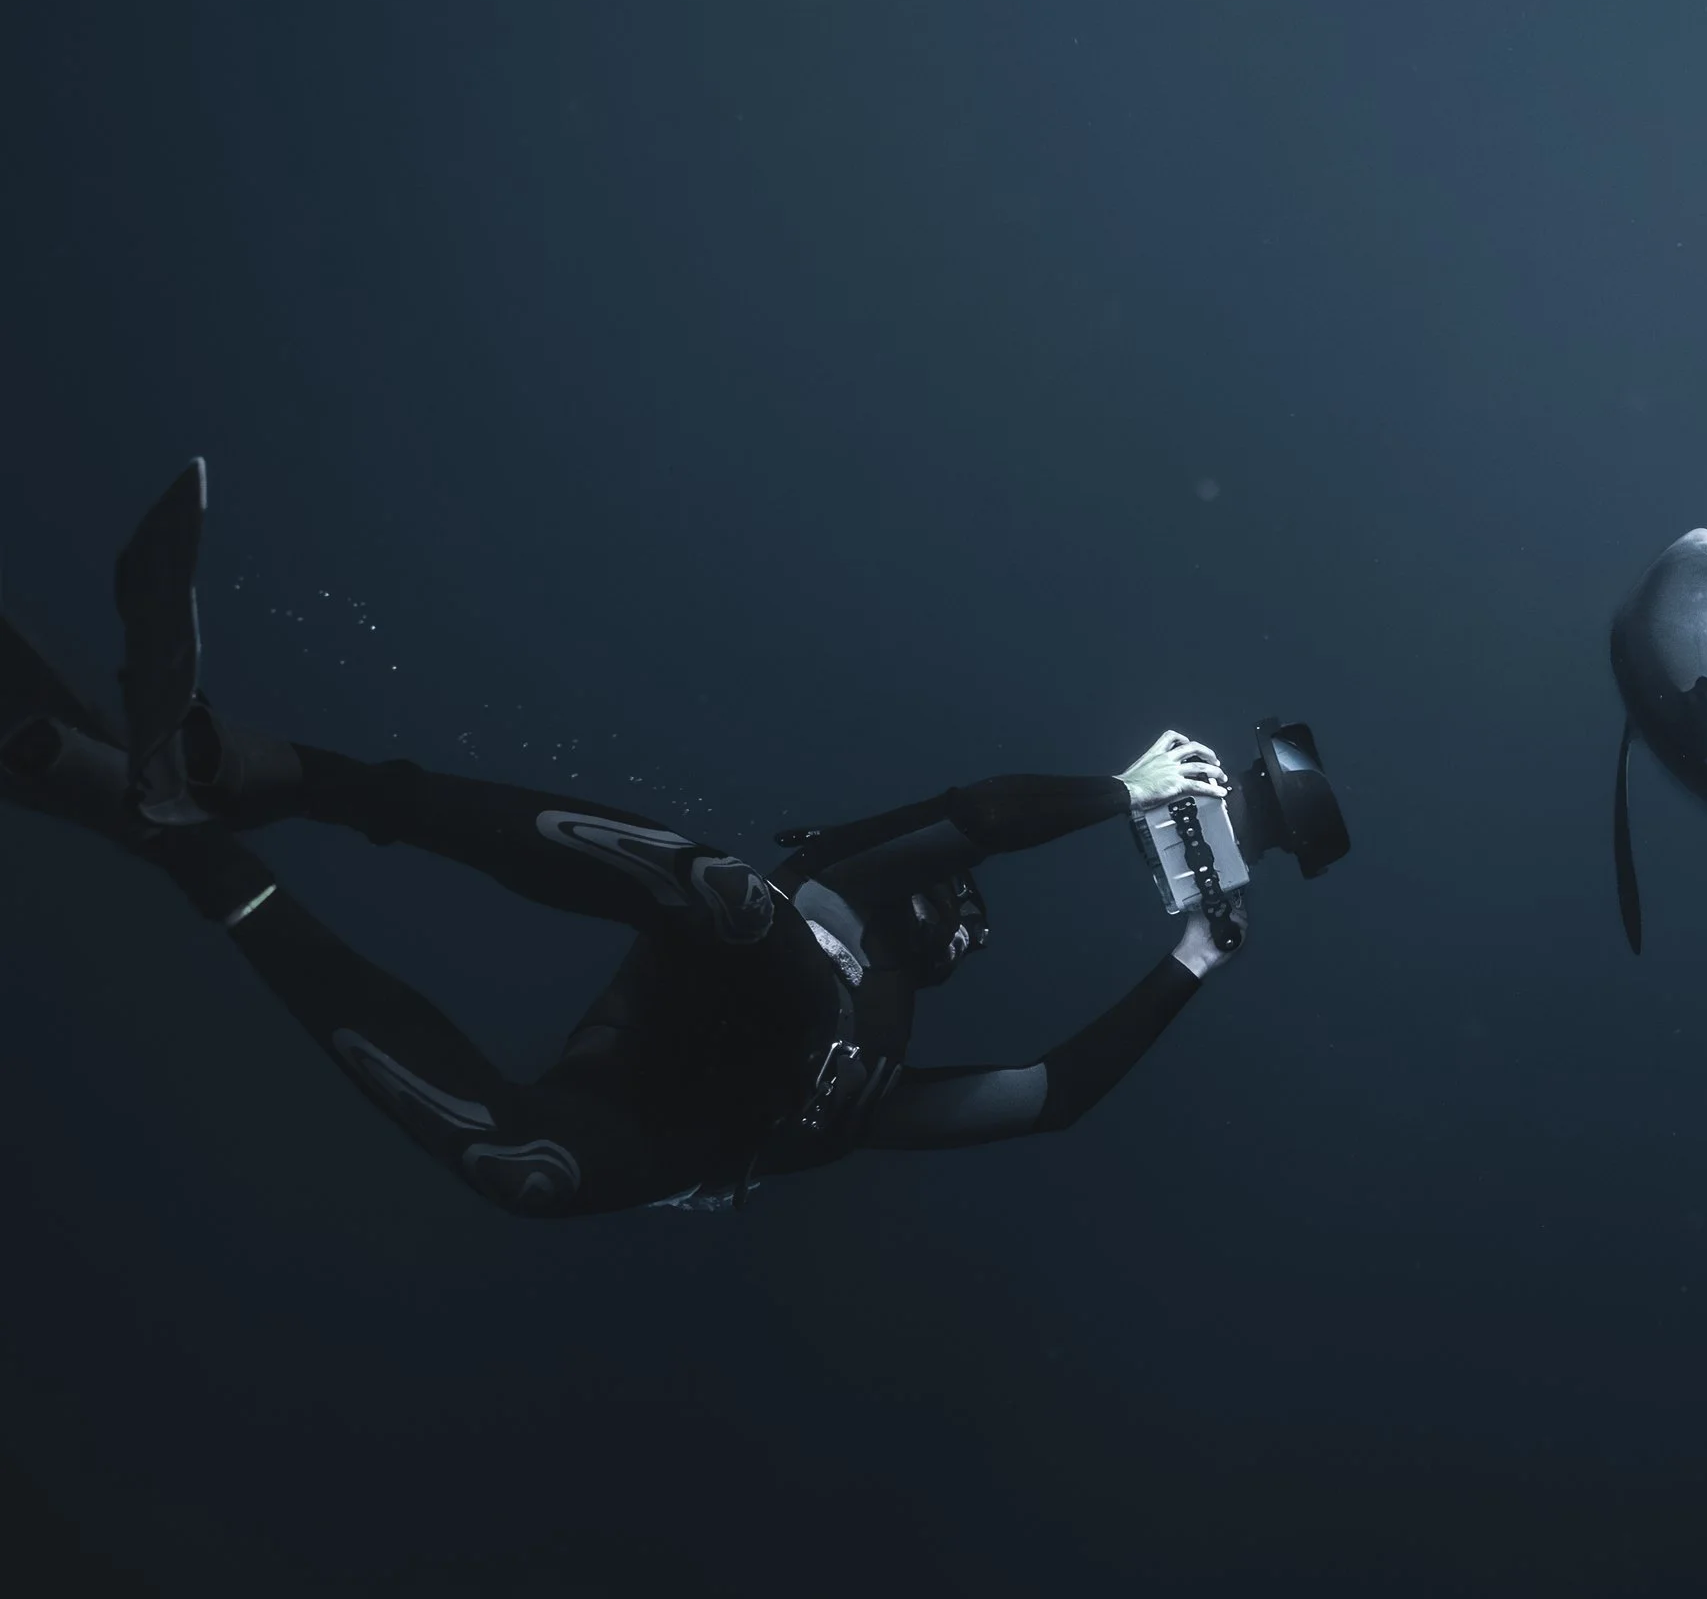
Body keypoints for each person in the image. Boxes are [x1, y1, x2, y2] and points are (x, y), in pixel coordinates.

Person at [0, 462, 1244, 1217]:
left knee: (521, 1175)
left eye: (968, 926)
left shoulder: (876, 1088)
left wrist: (1191, 957)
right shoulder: (850, 894)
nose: (961, 916)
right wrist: (1124, 790)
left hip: (639, 1115)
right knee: (728, 895)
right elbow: (974, 818)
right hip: (715, 946)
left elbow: (1053, 1097)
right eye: (962, 900)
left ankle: (191, 841)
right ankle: (270, 772)